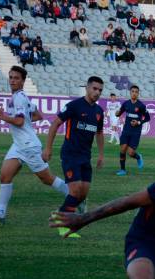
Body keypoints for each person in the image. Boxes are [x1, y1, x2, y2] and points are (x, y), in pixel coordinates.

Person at [0, 66, 71, 225]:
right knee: (5, 176)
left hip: (28, 146)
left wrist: (3, 117)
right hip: (18, 145)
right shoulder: (21, 97)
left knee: (47, 179)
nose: (12, 80)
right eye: (11, 77)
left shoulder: (19, 98)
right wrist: (21, 120)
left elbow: (20, 122)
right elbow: (37, 115)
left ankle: (76, 197)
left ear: (23, 81)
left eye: (16, 78)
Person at [43, 76, 106, 237]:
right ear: (87, 87)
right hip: (70, 154)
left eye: (100, 90)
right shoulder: (74, 106)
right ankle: (62, 223)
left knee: (83, 193)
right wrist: (48, 148)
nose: (97, 92)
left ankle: (63, 212)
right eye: (95, 88)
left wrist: (101, 154)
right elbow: (55, 124)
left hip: (86, 156)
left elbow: (99, 133)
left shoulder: (99, 112)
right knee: (75, 190)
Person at [115, 85, 148, 176]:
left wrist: (138, 122)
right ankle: (122, 170)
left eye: (136, 92)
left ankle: (138, 157)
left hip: (135, 132)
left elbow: (147, 118)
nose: (134, 93)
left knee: (130, 153)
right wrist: (117, 113)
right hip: (126, 130)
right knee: (122, 149)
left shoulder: (141, 106)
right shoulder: (126, 104)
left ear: (138, 93)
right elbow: (119, 113)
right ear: (130, 93)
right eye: (132, 91)